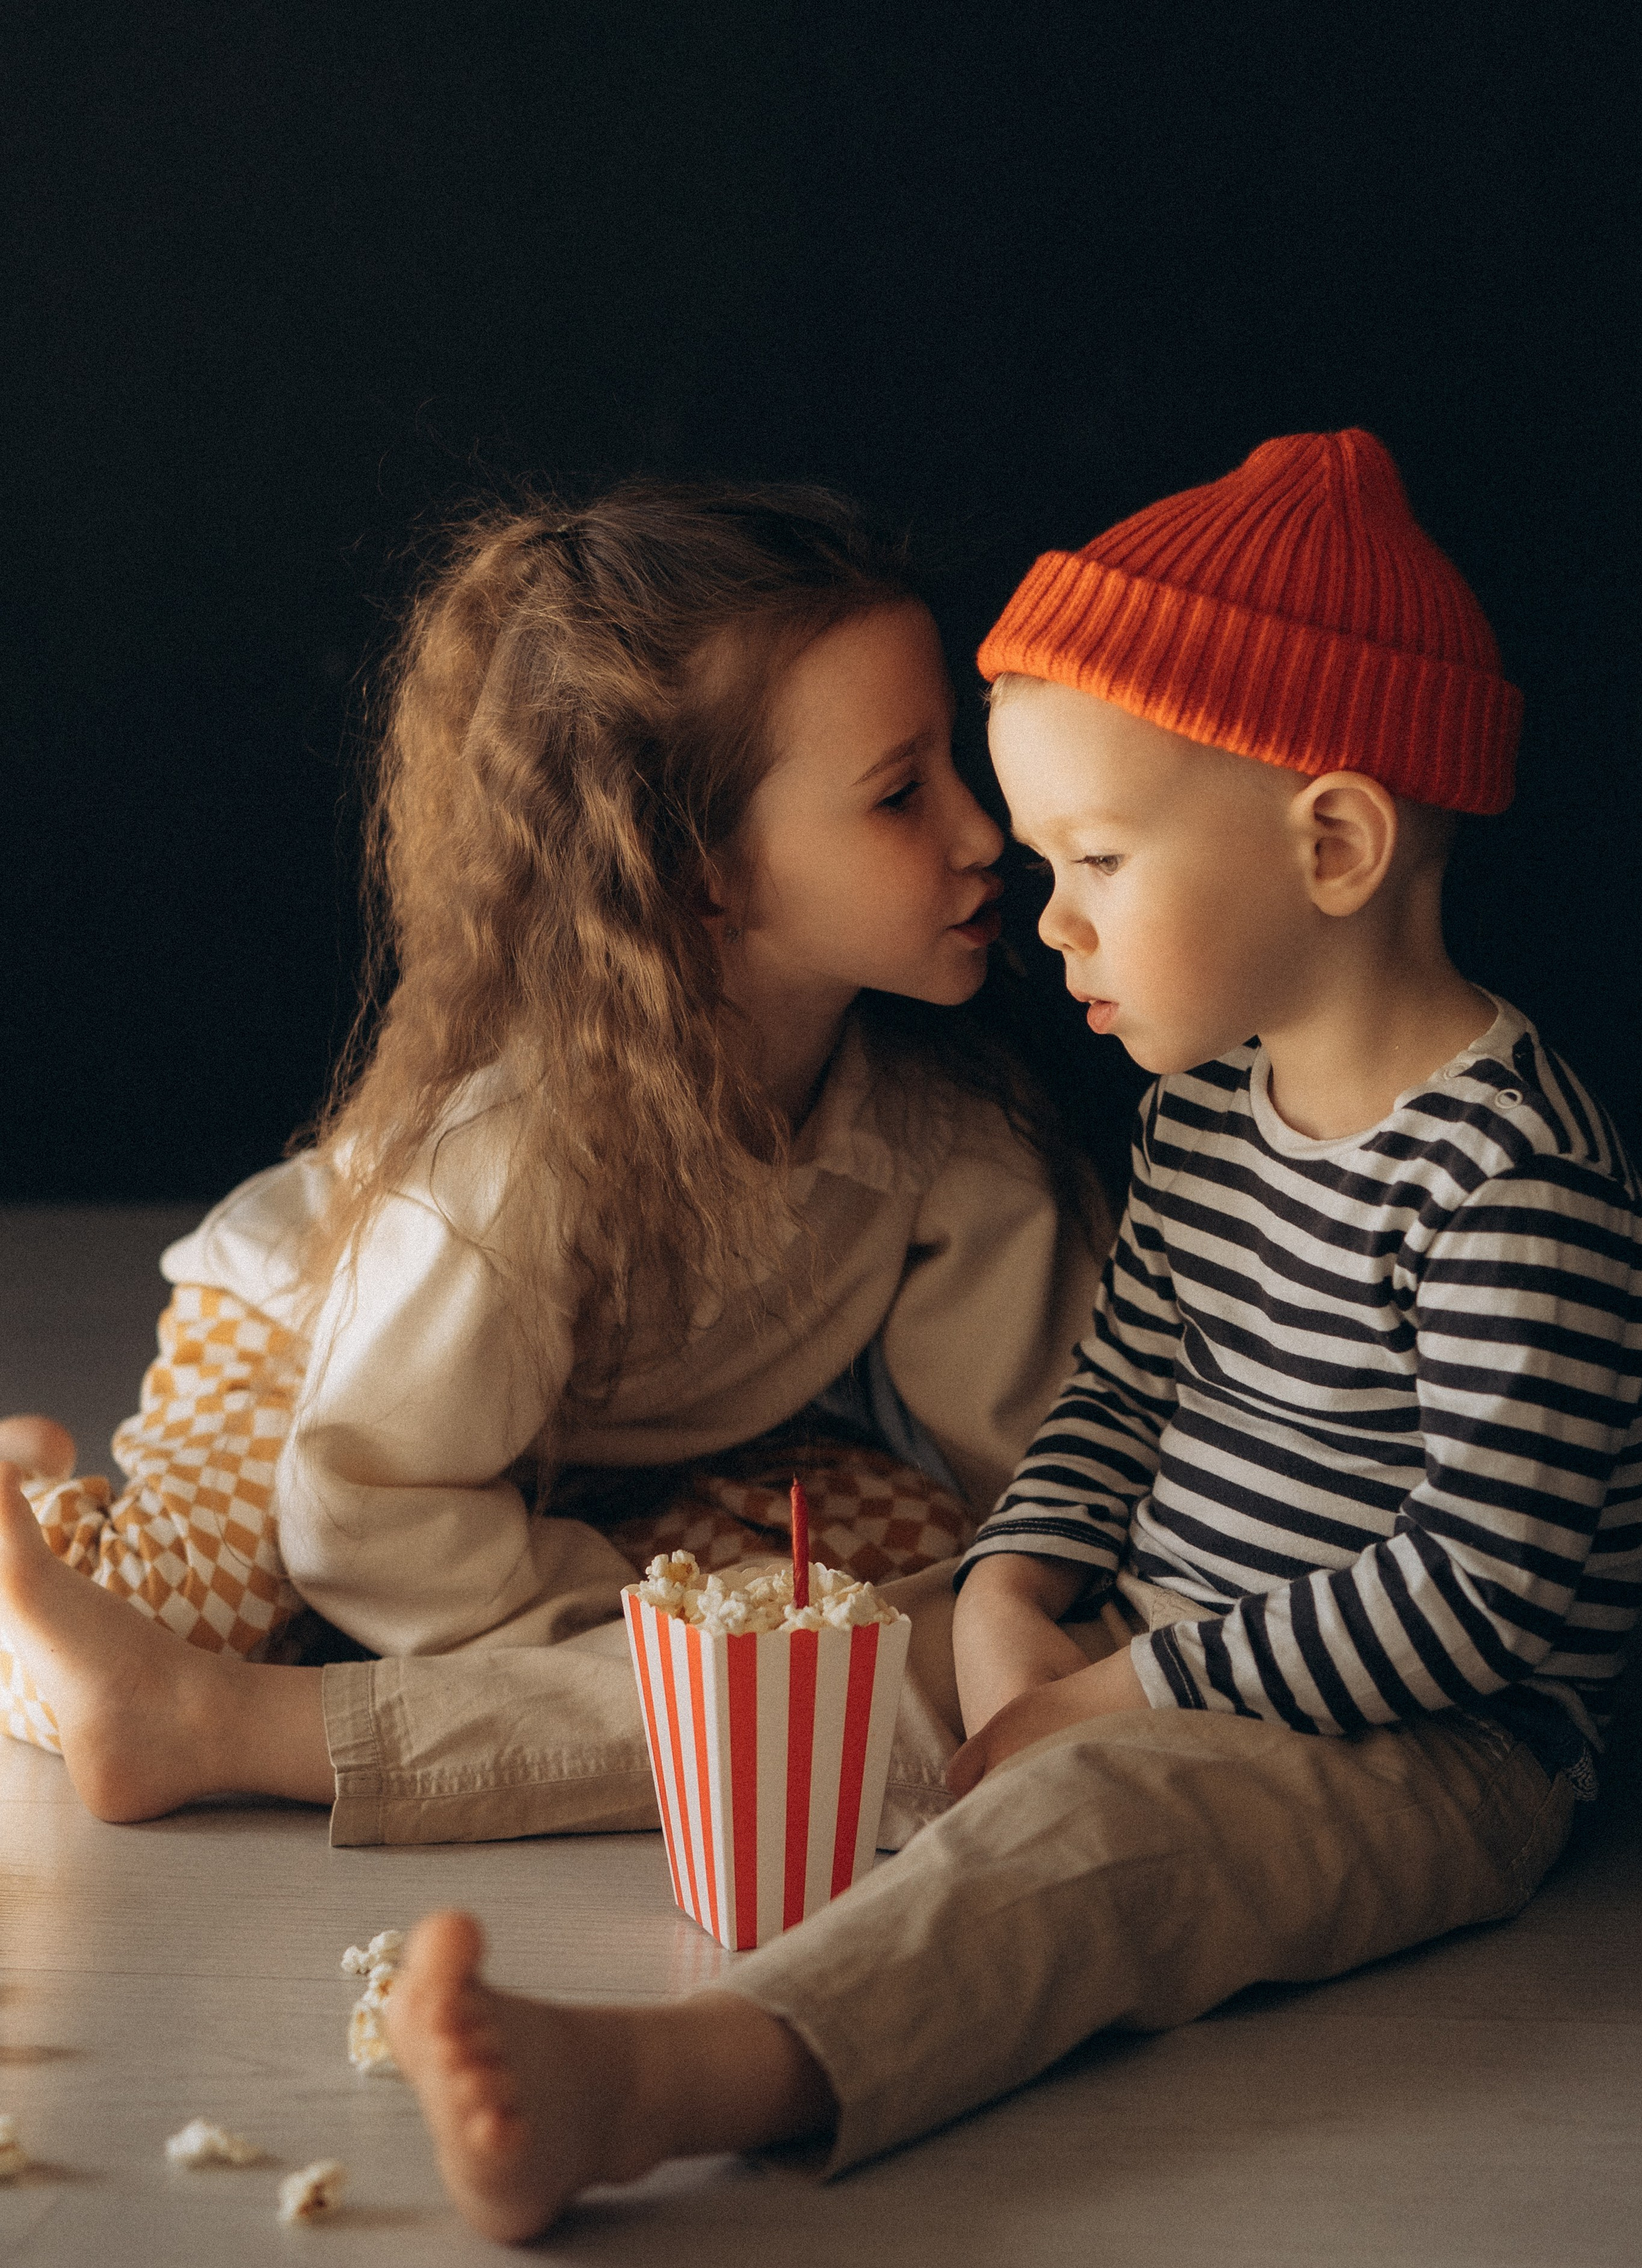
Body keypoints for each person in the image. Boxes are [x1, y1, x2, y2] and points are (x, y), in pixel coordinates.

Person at [289, 428, 1635, 2248]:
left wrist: (1110, 1698)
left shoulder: (1512, 1173)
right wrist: (1016, 1592)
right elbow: (1124, 1392)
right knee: (794, 1680)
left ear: (1332, 845)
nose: (1042, 904)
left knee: (1076, 1866)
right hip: (1147, 1644)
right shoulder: (1210, 1109)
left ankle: (682, 2079)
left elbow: (1478, 1592)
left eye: (1095, 857)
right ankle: (246, 1732)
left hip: (1420, 1743)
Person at [0, 482, 1109, 1837]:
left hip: (590, 1455)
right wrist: (602, 1637)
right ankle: (38, 1548)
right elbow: (365, 1503)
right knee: (195, 1614)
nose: (982, 832)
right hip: (331, 1376)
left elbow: (1047, 1488)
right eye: (898, 794)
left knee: (896, 1583)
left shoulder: (948, 1138)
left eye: (956, 764)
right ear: (697, 873)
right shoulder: (516, 1161)